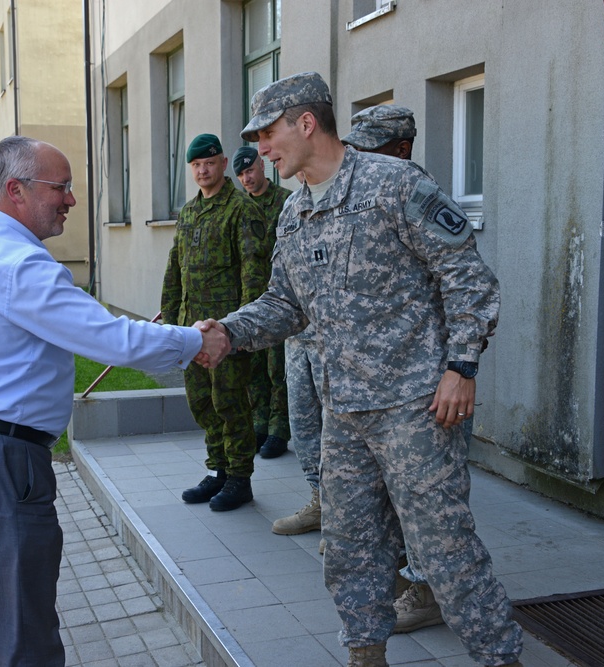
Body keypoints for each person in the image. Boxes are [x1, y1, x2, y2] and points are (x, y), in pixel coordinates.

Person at [196, 72, 523, 667]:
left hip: (415, 408)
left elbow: (468, 277)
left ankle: (503, 658)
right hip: (343, 411)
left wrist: (461, 366)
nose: (261, 150)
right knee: (349, 549)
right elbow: (283, 304)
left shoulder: (393, 184)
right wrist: (226, 333)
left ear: (305, 122)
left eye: (267, 133)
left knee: (445, 552)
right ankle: (365, 655)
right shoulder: (294, 214)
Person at [0, 135, 229, 666]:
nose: (70, 200)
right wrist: (194, 341)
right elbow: (108, 336)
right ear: (16, 190)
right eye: (61, 188)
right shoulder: (14, 262)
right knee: (25, 639)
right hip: (0, 461)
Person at [342, 103, 446, 635]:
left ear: (401, 149)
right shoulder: (367, 194)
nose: (357, 158)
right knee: (390, 494)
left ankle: (430, 588)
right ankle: (412, 576)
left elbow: (463, 282)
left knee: (427, 498)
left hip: (423, 381)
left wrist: (458, 369)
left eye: (369, 149)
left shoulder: (415, 194)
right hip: (381, 379)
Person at [161, 133, 270, 512]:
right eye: (196, 166)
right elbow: (175, 272)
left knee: (231, 403)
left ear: (224, 164)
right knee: (203, 403)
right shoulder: (188, 213)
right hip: (193, 332)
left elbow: (254, 277)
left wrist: (239, 332)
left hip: (226, 333)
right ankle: (219, 470)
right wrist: (172, 326)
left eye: (209, 163)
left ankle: (240, 477)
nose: (203, 171)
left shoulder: (242, 210)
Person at [232, 145, 293, 460]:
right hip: (247, 299)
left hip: (278, 298)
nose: (247, 178)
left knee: (276, 366)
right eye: (241, 174)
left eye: (250, 170)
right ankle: (259, 422)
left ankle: (280, 427)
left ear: (262, 166)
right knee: (253, 365)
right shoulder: (238, 208)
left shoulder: (285, 202)